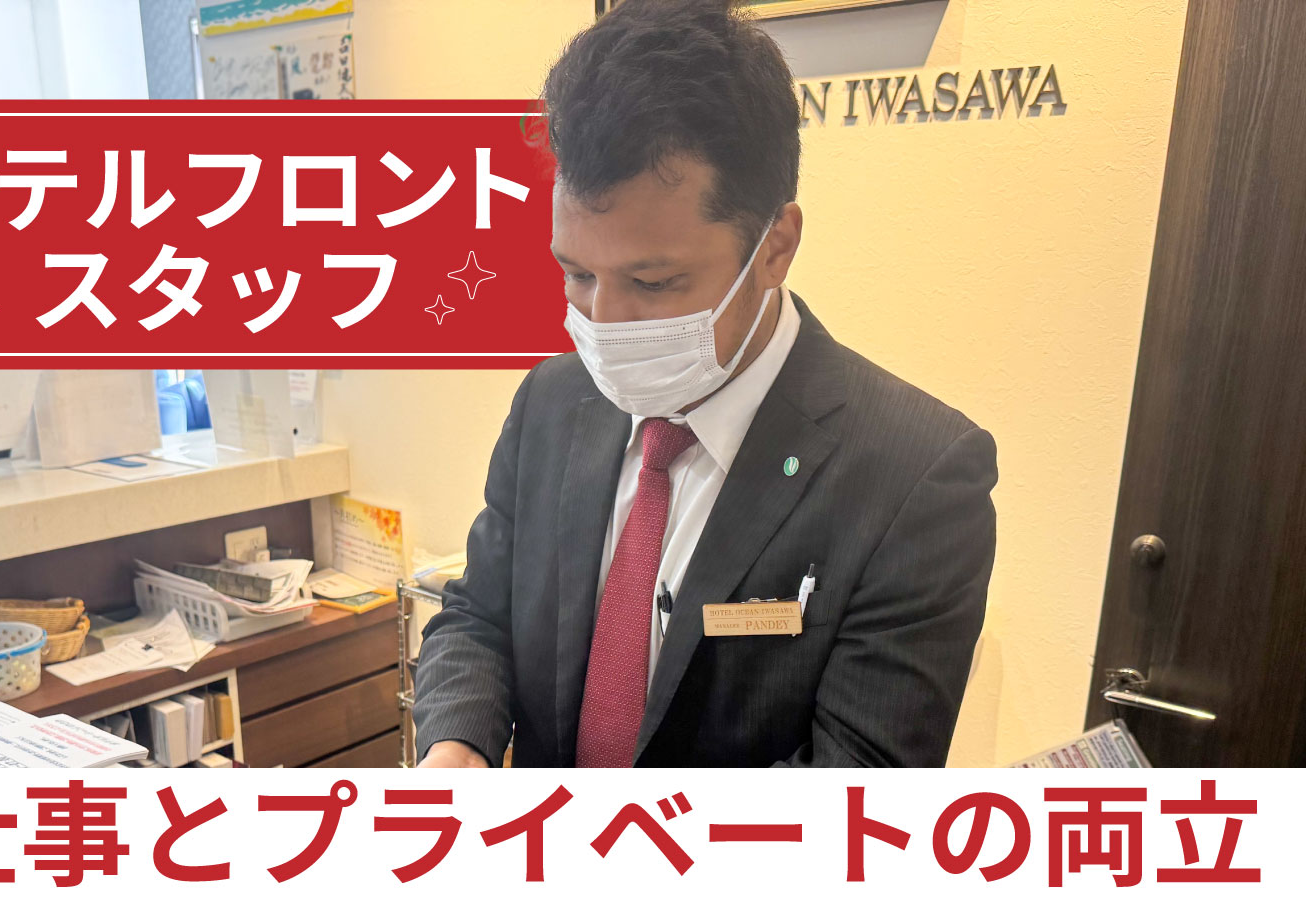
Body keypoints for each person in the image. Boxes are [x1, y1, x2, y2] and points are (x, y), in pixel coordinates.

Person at [412, 0, 997, 767]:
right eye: (577, 273)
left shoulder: (913, 477)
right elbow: (478, 614)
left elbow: (856, 782)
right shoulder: (553, 403)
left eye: (654, 283)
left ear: (775, 247)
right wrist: (456, 744)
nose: (604, 323)